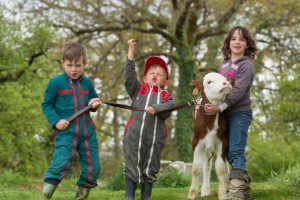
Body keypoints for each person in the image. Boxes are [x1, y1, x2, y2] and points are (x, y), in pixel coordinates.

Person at [41, 42, 102, 200]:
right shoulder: (55, 83)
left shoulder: (87, 82)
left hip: (87, 133)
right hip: (66, 132)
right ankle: (45, 196)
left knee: (93, 168)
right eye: (69, 65)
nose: (73, 69)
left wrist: (94, 104)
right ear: (62, 63)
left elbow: (93, 101)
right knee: (60, 164)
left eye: (78, 65)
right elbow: (46, 104)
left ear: (84, 64)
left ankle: (80, 198)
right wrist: (56, 121)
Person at [204, 26, 257, 200]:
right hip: (224, 113)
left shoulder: (246, 65)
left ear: (247, 44)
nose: (237, 42)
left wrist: (220, 107)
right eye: (233, 38)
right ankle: (244, 189)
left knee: (235, 150)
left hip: (239, 113)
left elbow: (238, 91)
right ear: (228, 42)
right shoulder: (224, 63)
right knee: (226, 151)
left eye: (242, 39)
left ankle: (236, 190)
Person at [123, 39, 175, 200]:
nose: (155, 75)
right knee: (132, 163)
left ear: (165, 81)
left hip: (154, 139)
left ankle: (146, 196)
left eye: (159, 74)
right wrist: (130, 54)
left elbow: (170, 107)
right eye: (152, 73)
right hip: (134, 136)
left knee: (151, 166)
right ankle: (129, 196)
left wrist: (156, 108)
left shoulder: (166, 96)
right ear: (145, 78)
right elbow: (129, 78)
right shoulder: (138, 90)